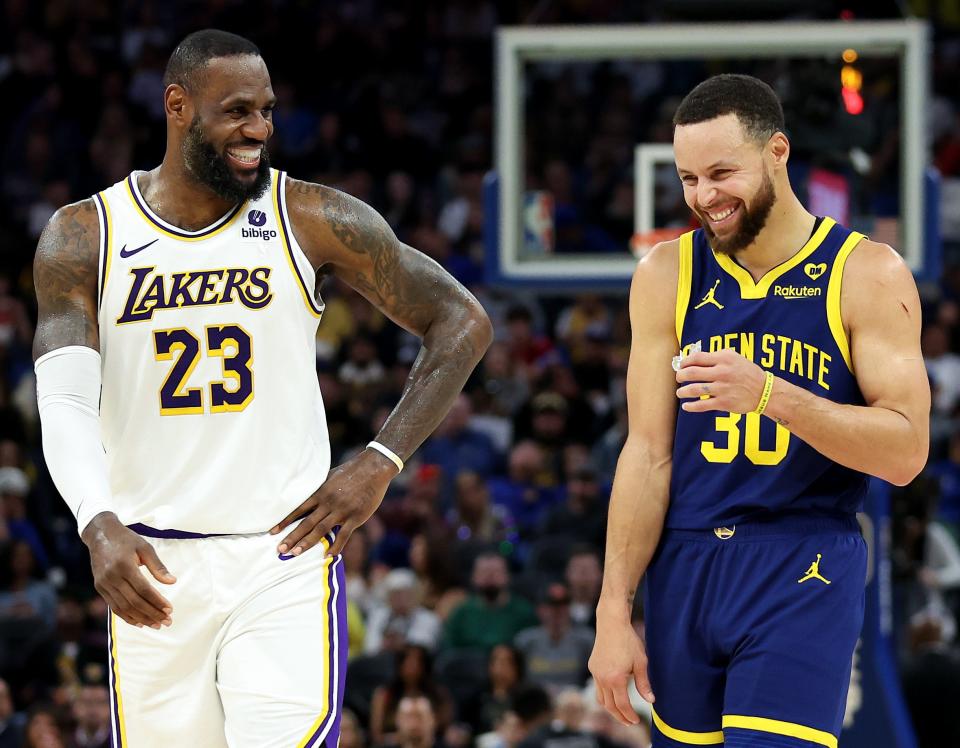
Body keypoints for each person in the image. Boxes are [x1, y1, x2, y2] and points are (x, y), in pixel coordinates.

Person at [32, 29, 492, 748]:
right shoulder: (84, 235)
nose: (259, 131)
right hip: (153, 564)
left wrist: (380, 460)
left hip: (281, 557)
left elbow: (461, 321)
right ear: (177, 106)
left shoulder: (309, 217)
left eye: (268, 111)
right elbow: (62, 402)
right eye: (237, 111)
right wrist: (97, 523)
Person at [588, 74, 930, 747]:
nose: (704, 196)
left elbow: (906, 450)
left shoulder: (867, 272)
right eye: (688, 178)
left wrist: (772, 395)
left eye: (721, 172)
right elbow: (648, 453)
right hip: (685, 567)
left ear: (777, 152)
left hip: (801, 558)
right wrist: (611, 609)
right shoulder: (664, 274)